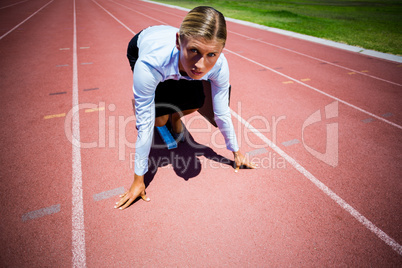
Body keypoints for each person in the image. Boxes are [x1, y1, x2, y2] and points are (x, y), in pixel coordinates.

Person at [115, 6, 256, 210]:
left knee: (196, 101)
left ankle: (175, 117)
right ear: (178, 41)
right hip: (146, 49)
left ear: (221, 51)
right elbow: (144, 125)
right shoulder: (150, 64)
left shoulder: (218, 65)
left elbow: (221, 112)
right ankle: (164, 118)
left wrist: (236, 151)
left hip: (178, 60)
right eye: (194, 51)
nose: (201, 64)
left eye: (212, 54)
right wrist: (139, 180)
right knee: (155, 119)